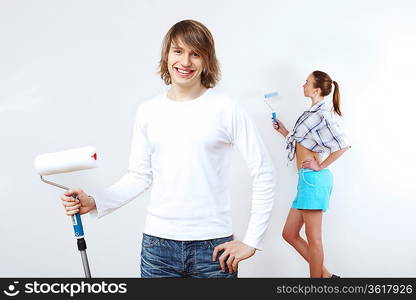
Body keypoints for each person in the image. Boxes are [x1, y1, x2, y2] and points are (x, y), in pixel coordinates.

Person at [61, 20, 276, 278]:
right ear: (166, 56)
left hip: (214, 249)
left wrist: (252, 240)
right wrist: (95, 202)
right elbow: (139, 176)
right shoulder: (148, 111)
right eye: (178, 51)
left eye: (195, 53)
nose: (185, 62)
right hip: (158, 249)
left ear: (206, 61)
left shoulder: (226, 109)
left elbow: (263, 171)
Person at [272, 71, 350, 278]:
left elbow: (343, 145)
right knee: (289, 233)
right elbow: (304, 142)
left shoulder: (323, 113)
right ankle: (326, 276)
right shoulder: (311, 113)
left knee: (314, 238)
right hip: (306, 180)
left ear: (316, 89)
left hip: (314, 180)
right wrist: (284, 131)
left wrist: (321, 165)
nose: (303, 85)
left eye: (307, 82)